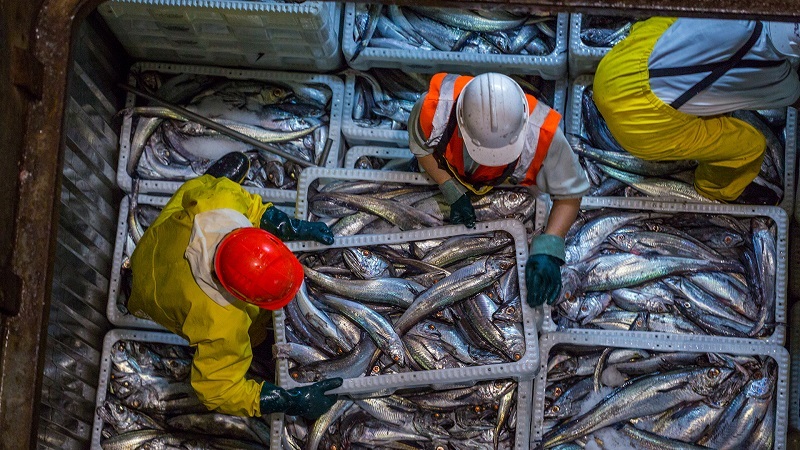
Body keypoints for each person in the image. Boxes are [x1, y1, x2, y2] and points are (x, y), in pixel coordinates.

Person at [127, 152, 342, 419]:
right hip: (154, 295)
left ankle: (212, 180)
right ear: (245, 299)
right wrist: (288, 400)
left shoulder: (220, 203)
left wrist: (290, 226)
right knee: (258, 337)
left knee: (205, 188)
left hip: (161, 241)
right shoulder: (223, 326)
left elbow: (249, 207)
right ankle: (130, 286)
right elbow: (217, 391)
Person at [408, 72, 591, 308]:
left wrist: (550, 246)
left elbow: (570, 195)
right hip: (447, 174)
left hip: (506, 187)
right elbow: (421, 149)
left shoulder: (545, 134)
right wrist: (448, 187)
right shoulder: (433, 108)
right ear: (461, 122)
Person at [593, 18, 800, 205]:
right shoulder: (780, 78)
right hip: (639, 124)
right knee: (750, 147)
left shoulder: (738, 8)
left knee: (668, 25)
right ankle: (712, 190)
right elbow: (794, 98)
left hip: (614, 68)